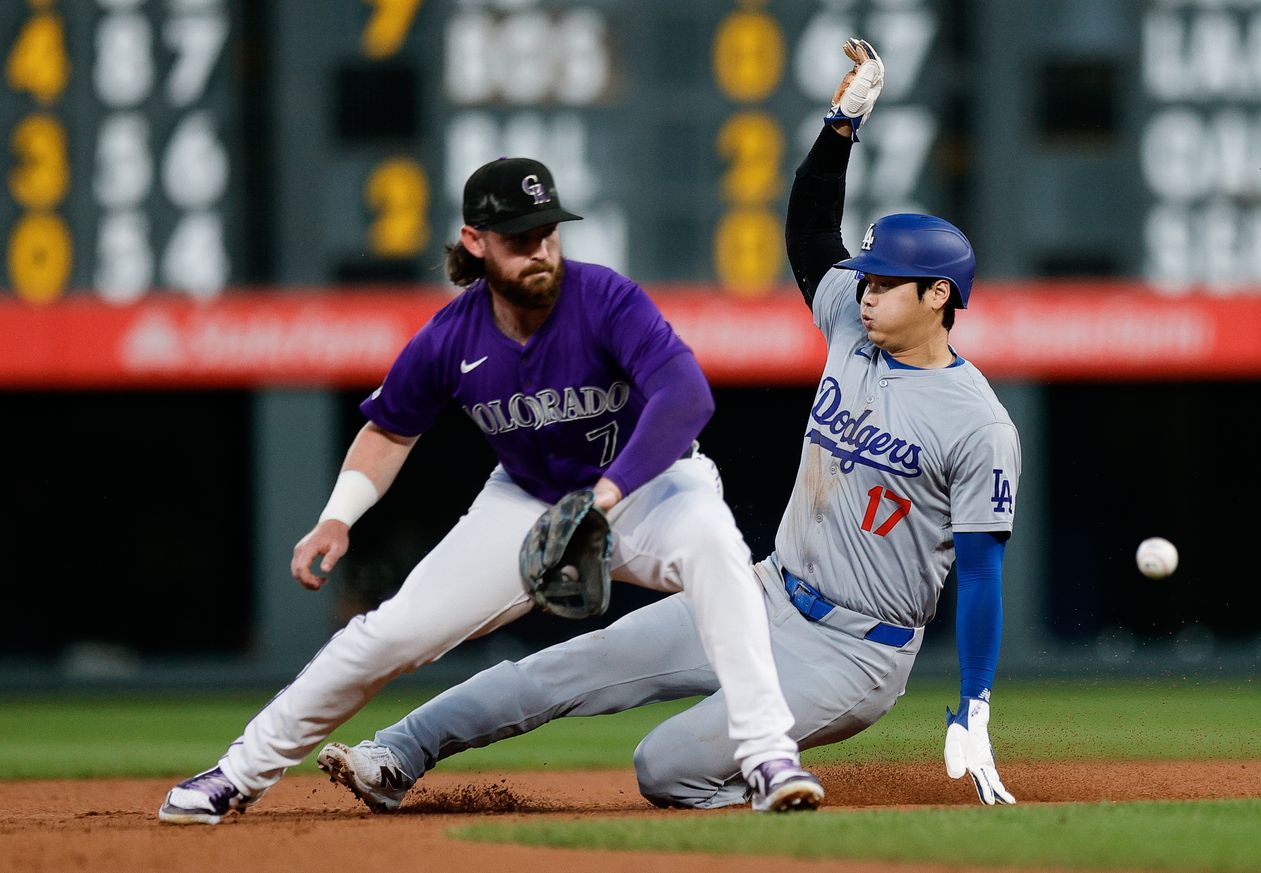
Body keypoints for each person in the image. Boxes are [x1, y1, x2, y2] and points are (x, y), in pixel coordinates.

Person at [315, 38, 1020, 813]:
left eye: (887, 283)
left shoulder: (979, 422)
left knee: (665, 767)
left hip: (855, 655)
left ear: (939, 298)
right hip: (767, 591)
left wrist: (977, 701)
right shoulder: (856, 328)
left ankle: (776, 808)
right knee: (563, 668)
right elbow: (812, 237)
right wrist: (841, 125)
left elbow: (983, 574)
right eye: (868, 277)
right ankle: (396, 754)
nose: (866, 290)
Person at [158, 156, 819, 824]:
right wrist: (338, 517)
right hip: (526, 500)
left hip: (649, 482)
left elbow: (686, 395)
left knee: (717, 551)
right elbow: (389, 431)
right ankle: (237, 774)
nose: (540, 248)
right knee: (389, 634)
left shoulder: (605, 299)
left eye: (549, 232)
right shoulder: (452, 337)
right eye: (519, 237)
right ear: (476, 241)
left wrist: (608, 497)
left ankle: (768, 756)